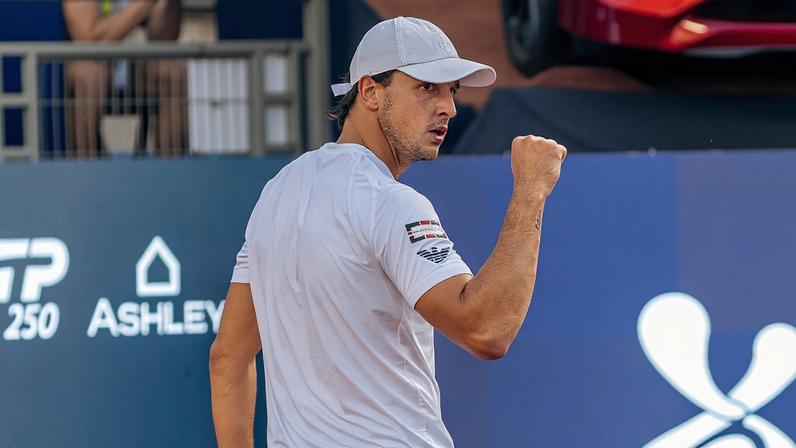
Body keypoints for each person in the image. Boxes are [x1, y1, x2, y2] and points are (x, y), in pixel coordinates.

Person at [209, 16, 566, 448]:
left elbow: (228, 357)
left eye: (451, 91)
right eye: (426, 87)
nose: (449, 108)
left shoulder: (277, 192)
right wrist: (531, 190)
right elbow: (486, 330)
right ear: (370, 92)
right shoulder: (389, 202)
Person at [62, 0, 186, 158]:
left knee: (174, 71)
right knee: (90, 75)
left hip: (137, 69)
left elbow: (165, 39)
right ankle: (85, 166)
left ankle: (170, 165)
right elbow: (87, 39)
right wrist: (143, 5)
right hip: (93, 73)